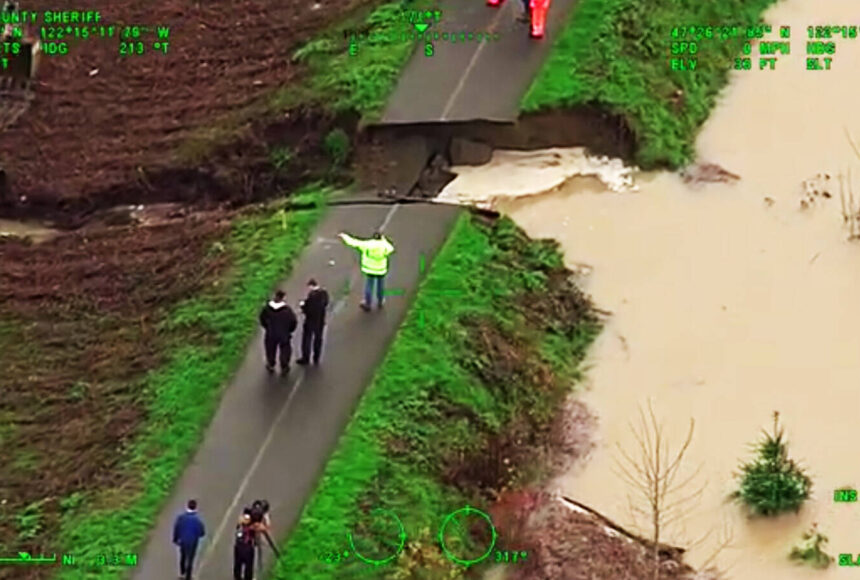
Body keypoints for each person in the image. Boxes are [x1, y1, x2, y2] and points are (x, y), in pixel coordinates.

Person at [338, 230, 395, 311]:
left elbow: (354, 242)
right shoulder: (385, 245)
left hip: (369, 269)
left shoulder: (367, 244)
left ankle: (368, 303)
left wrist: (345, 236)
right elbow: (391, 249)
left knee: (369, 286)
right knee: (380, 286)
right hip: (381, 269)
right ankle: (380, 301)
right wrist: (384, 240)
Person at [259, 290, 297, 375]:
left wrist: (267, 327)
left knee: (270, 349)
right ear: (283, 298)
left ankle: (271, 364)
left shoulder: (267, 308)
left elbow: (262, 318)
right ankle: (284, 366)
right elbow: (293, 322)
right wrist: (289, 330)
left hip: (271, 333)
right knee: (285, 350)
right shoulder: (287, 310)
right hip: (283, 334)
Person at [296, 279, 329, 365]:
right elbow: (325, 303)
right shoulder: (324, 293)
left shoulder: (312, 296)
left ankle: (305, 358)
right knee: (318, 339)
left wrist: (302, 306)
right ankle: (316, 358)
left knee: (307, 339)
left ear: (311, 286)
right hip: (320, 320)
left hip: (310, 321)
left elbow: (308, 310)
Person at [172, 499, 205, 580]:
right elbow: (202, 532)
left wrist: (175, 539)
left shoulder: (181, 518)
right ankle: (188, 576)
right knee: (190, 559)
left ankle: (182, 572)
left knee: (182, 557)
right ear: (195, 507)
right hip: (192, 542)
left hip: (182, 541)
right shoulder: (197, 520)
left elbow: (177, 528)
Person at [233, 512, 256, 580]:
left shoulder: (240, 526)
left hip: (240, 547)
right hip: (246, 547)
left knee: (239, 564)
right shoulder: (250, 527)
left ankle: (238, 577)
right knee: (247, 565)